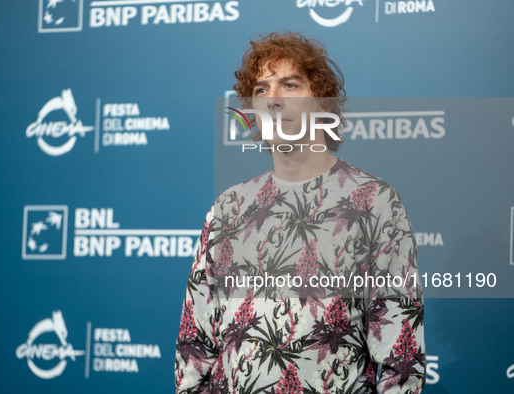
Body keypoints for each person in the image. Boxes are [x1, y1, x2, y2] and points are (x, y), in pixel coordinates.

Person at [175, 31, 425, 394]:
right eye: (261, 90)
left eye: (289, 85)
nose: (273, 100)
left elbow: (400, 358)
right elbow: (194, 346)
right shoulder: (228, 207)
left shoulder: (374, 202)